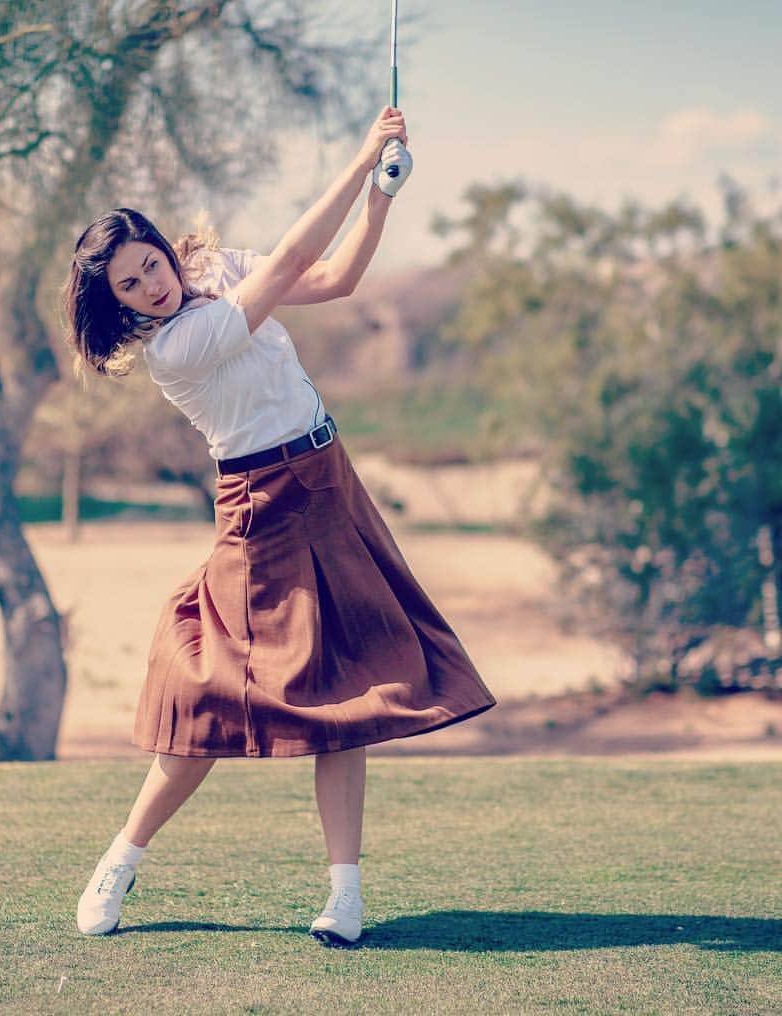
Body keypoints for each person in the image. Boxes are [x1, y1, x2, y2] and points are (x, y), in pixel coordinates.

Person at [62, 106, 496, 947]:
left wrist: (381, 197)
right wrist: (361, 152)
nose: (152, 283)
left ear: (161, 248)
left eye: (150, 263)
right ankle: (122, 859)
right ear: (117, 305)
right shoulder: (174, 348)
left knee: (350, 690)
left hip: (329, 481)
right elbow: (296, 254)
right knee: (208, 700)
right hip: (260, 505)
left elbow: (332, 279)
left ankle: (346, 896)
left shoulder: (216, 270)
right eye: (130, 285)